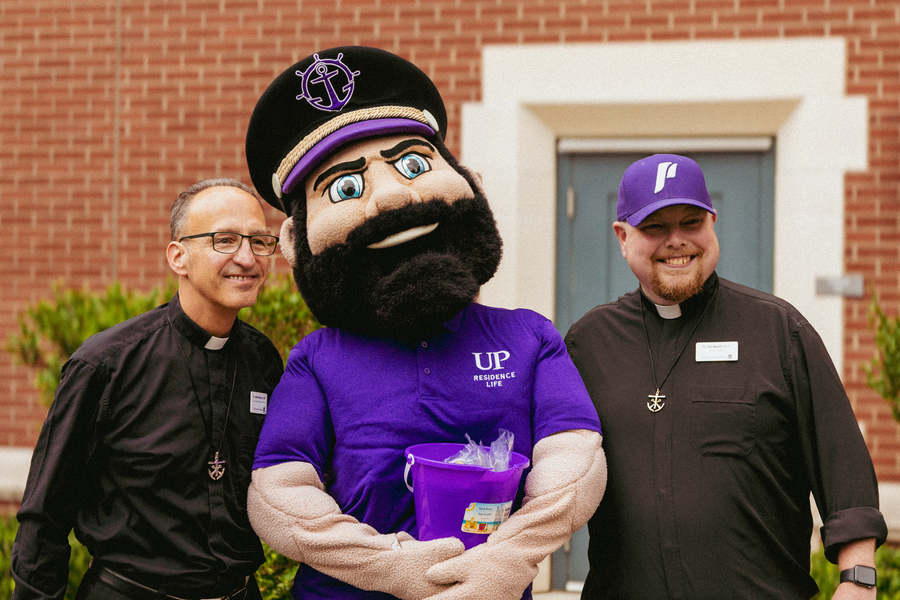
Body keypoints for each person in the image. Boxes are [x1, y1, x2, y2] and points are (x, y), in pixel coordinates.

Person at [242, 46, 607, 600]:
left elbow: (575, 454)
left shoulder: (529, 337)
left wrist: (513, 555)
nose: (393, 196)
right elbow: (278, 488)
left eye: (413, 164)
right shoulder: (317, 359)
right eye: (345, 188)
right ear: (296, 245)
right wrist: (384, 564)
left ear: (471, 184)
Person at [565, 153, 888, 600]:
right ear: (623, 236)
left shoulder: (778, 331)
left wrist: (858, 581)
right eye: (655, 227)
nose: (676, 241)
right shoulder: (588, 345)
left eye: (691, 222)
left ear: (713, 223)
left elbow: (843, 468)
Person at [11, 179, 285, 600]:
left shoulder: (263, 360)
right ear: (179, 257)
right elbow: (44, 515)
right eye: (225, 240)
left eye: (259, 241)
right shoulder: (106, 364)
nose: (247, 258)